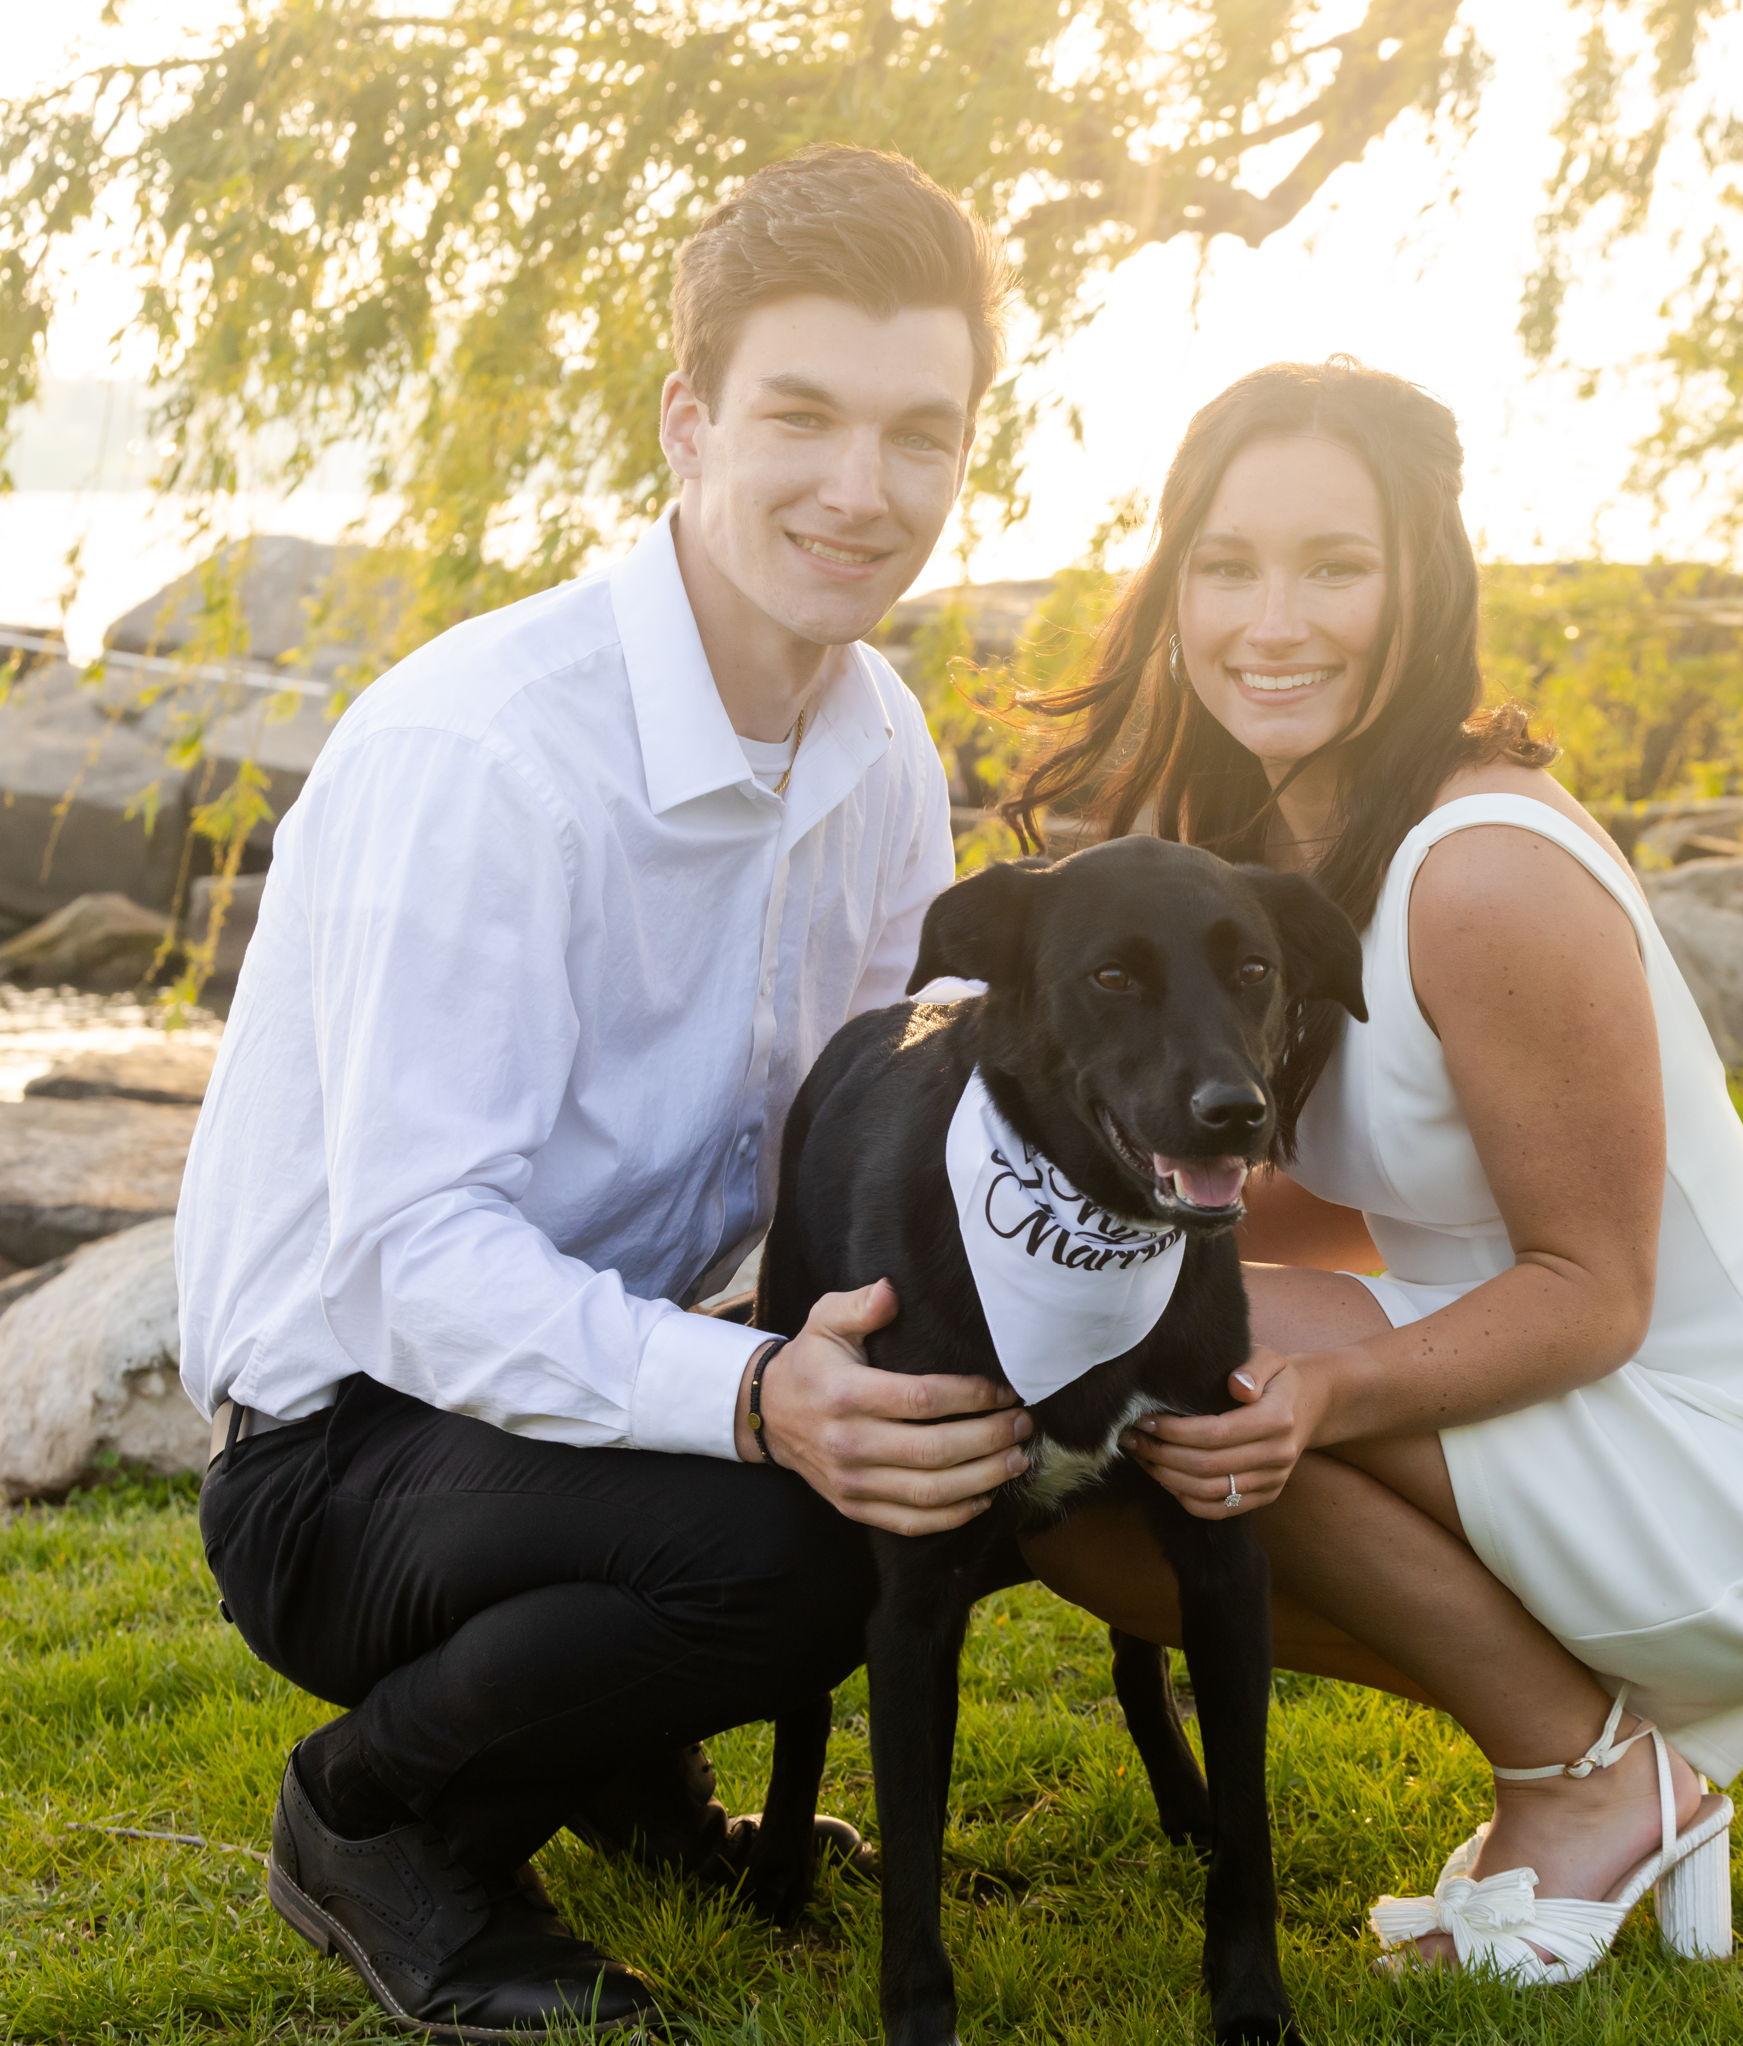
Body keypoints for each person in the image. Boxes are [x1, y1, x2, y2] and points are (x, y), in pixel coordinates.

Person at [176, 145, 1032, 2040]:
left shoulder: (882, 743)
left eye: (920, 433)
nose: (863, 488)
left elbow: (878, 1127)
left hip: (580, 1388)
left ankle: (621, 1759)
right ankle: (375, 1821)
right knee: (806, 1539)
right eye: (801, 416)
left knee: (932, 1472)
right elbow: (413, 1264)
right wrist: (758, 1397)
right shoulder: (487, 753)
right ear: (687, 420)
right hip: (334, 1447)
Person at [1009, 359, 1743, 1984]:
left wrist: (1311, 1387)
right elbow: (1336, 1198)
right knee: (1061, 1479)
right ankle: (1594, 1744)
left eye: (1333, 567)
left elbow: (1595, 1291)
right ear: (1173, 587)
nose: (1271, 620)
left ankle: (1585, 1780)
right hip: (1585, 1416)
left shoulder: (1484, 865)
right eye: (1226, 565)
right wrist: (1000, 1249)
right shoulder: (1282, 844)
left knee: (1170, 1352)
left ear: (1424, 581)